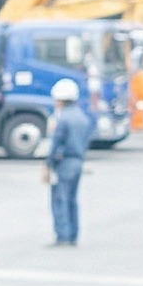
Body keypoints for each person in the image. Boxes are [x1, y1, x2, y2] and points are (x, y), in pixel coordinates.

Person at [43, 78, 94, 248]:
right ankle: (73, 234)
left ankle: (62, 236)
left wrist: (48, 164)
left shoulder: (62, 119)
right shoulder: (82, 117)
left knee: (60, 199)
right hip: (78, 161)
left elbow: (56, 143)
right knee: (72, 199)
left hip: (64, 163)